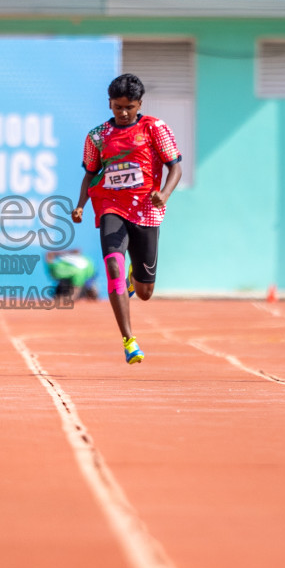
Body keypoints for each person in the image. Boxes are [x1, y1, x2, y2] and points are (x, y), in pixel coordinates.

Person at [71, 74, 182, 364]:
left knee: (145, 292)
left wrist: (165, 194)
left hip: (146, 209)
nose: (123, 113)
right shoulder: (97, 136)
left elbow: (175, 168)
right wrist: (81, 205)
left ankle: (137, 278)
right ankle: (129, 340)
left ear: (139, 104)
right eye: (118, 106)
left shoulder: (154, 128)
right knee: (112, 265)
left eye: (129, 107)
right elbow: (89, 173)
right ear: (109, 103)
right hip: (111, 206)